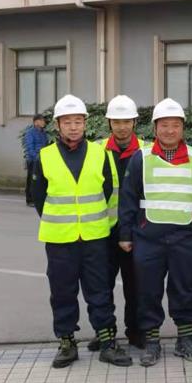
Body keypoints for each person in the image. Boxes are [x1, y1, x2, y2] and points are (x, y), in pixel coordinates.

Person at [118, 98, 192, 367]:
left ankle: (184, 340)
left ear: (183, 129)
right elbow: (128, 198)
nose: (170, 130)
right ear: (155, 128)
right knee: (148, 290)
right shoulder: (141, 158)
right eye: (164, 125)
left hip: (185, 236)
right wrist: (125, 234)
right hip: (147, 237)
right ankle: (152, 342)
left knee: (184, 289)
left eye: (175, 125)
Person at [32, 94, 131, 368]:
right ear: (58, 125)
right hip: (59, 239)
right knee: (62, 292)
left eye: (78, 121)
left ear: (85, 123)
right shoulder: (45, 157)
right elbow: (38, 197)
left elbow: (107, 191)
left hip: (94, 237)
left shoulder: (101, 154)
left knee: (99, 290)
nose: (73, 127)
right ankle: (67, 343)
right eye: (67, 122)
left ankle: (107, 342)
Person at [91, 95, 146, 352]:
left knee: (136, 285)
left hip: (137, 230)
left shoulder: (147, 150)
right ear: (109, 123)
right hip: (105, 230)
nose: (122, 127)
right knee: (102, 285)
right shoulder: (96, 150)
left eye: (126, 121)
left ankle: (136, 331)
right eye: (116, 122)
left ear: (135, 122)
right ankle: (105, 332)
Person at [24, 114, 49, 206]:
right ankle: (29, 200)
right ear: (36, 122)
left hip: (42, 159)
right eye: (42, 120)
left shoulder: (43, 133)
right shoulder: (30, 133)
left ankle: (39, 199)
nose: (44, 122)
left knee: (41, 180)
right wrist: (37, 158)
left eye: (43, 121)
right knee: (31, 180)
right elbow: (30, 148)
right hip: (33, 160)